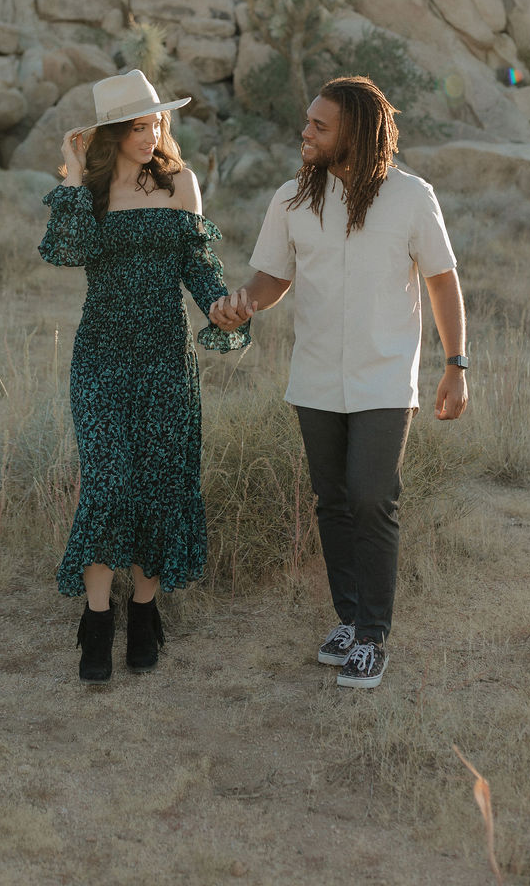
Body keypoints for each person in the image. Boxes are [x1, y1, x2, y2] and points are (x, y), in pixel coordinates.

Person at [209, 75, 467, 690]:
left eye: (319, 126)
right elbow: (273, 279)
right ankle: (349, 622)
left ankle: (375, 636)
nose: (306, 133)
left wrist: (456, 364)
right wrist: (242, 303)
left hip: (385, 377)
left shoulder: (410, 197)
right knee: (332, 501)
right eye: (307, 122)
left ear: (353, 131)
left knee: (372, 497)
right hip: (317, 376)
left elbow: (442, 280)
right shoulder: (292, 201)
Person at [38, 68, 249, 685]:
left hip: (165, 357)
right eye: (136, 124)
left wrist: (218, 305)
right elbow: (66, 250)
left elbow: (199, 267)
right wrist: (74, 173)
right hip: (101, 357)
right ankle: (96, 624)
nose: (151, 131)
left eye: (156, 120)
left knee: (160, 483)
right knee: (107, 484)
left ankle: (146, 612)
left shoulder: (182, 183)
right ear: (109, 133)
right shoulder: (91, 190)